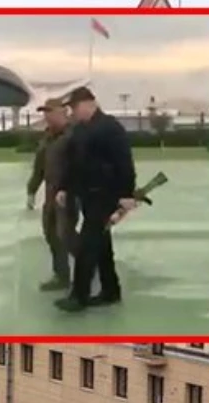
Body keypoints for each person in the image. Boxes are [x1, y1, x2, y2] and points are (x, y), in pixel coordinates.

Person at [52, 86, 136, 313]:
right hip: (88, 196)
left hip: (105, 195)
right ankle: (110, 290)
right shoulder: (81, 131)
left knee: (88, 246)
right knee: (101, 246)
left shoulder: (110, 128)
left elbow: (124, 163)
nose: (73, 112)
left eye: (75, 107)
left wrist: (127, 194)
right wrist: (64, 188)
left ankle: (79, 296)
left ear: (90, 103)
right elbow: (74, 163)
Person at [26, 97, 78, 292]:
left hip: (69, 194)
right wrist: (32, 190)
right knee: (51, 235)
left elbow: (81, 165)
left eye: (50, 111)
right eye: (44, 112)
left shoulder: (74, 136)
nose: (46, 116)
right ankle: (62, 276)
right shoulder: (47, 138)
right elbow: (39, 167)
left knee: (65, 234)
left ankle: (90, 262)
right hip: (50, 194)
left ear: (62, 112)